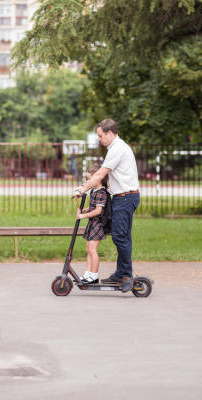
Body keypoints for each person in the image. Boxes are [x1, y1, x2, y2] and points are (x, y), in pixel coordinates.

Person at [73, 119, 140, 292]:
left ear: (110, 133)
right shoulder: (115, 148)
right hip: (122, 197)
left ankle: (126, 275)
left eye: (100, 135)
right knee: (123, 236)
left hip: (126, 197)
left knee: (119, 236)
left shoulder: (118, 148)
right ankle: (121, 273)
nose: (99, 139)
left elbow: (100, 174)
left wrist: (83, 189)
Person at [76, 164, 109, 284]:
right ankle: (88, 274)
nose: (88, 181)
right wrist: (84, 210)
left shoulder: (101, 192)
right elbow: (92, 207)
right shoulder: (94, 191)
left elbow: (98, 211)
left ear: (98, 178)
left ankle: (94, 275)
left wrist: (83, 216)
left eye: (90, 179)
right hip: (92, 223)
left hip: (98, 224)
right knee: (88, 249)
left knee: (93, 249)